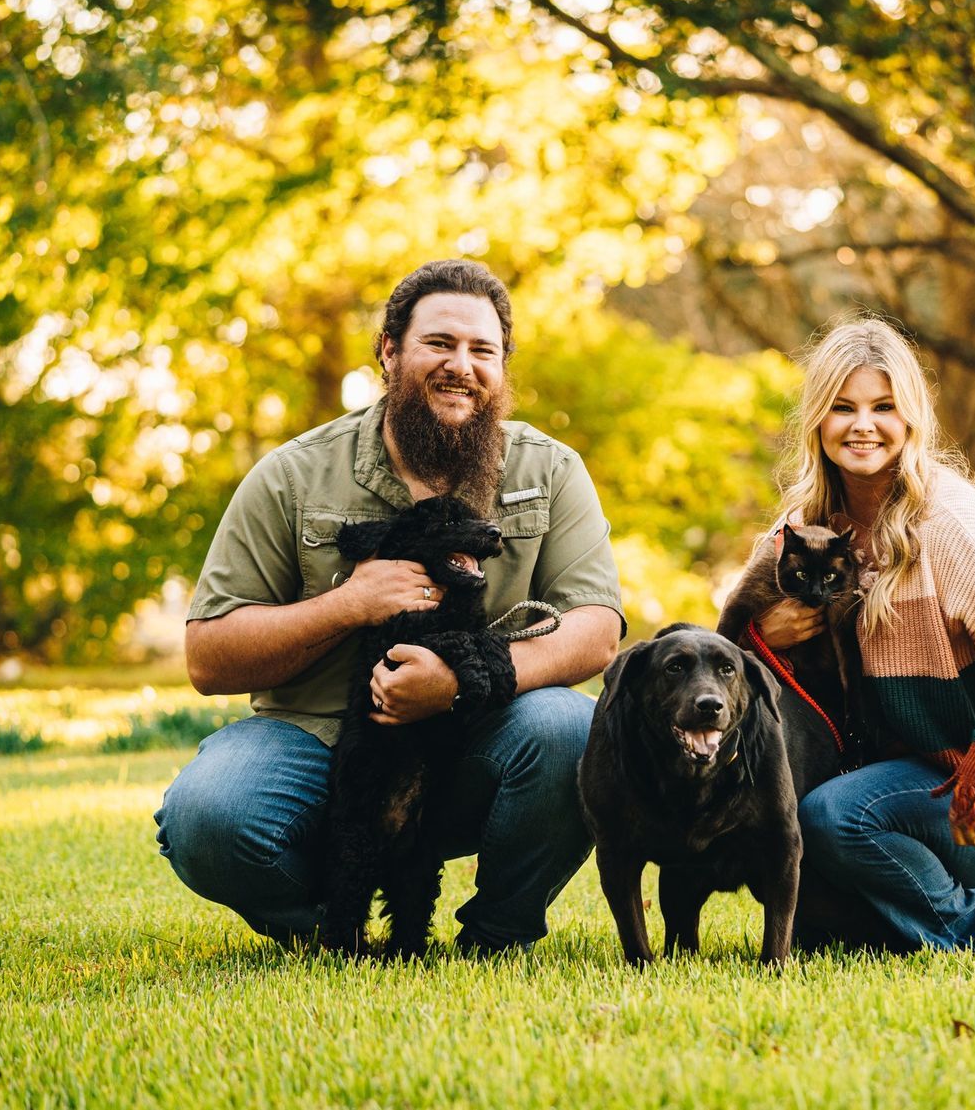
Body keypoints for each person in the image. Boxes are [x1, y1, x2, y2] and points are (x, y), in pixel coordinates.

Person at [155, 259, 625, 953]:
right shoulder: (293, 475)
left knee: (573, 729)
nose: (460, 365)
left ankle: (498, 932)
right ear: (389, 350)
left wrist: (466, 679)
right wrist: (348, 604)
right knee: (208, 815)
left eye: (481, 350)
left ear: (502, 366)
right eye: (439, 343)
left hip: (479, 742)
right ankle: (331, 929)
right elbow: (208, 654)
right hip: (316, 745)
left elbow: (596, 630)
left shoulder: (549, 471)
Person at [744, 317, 975, 952]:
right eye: (843, 408)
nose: (862, 425)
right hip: (876, 771)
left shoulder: (951, 522)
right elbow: (730, 655)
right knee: (810, 904)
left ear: (911, 418)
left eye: (883, 407)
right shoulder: (803, 527)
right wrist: (766, 634)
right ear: (818, 419)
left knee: (830, 818)